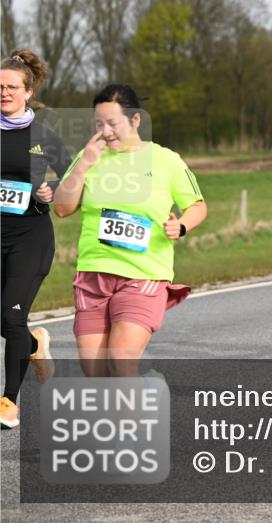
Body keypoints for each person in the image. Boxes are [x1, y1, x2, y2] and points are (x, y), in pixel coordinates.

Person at [52, 84, 207, 375]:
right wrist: (84, 164)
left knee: (121, 360)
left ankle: (134, 408)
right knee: (96, 373)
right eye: (99, 124)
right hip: (93, 274)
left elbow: (198, 206)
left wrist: (181, 225)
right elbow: (61, 208)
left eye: (113, 123)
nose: (106, 131)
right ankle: (143, 385)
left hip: (143, 273)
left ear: (135, 120)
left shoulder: (165, 160)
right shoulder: (89, 157)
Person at [1, 49, 71, 429]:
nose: (4, 92)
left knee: (11, 316)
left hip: (30, 237)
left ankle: (9, 402)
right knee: (6, 321)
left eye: (12, 87)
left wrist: (52, 190)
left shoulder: (44, 136)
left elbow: (73, 179)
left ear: (28, 92)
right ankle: (33, 345)